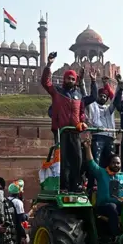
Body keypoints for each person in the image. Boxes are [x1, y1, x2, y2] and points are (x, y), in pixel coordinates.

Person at [41, 52, 97, 192]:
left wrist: (94, 81)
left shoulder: (78, 95)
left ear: (76, 80)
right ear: (64, 79)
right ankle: (64, 187)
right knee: (63, 160)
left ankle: (75, 185)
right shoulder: (58, 92)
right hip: (61, 131)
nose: (70, 80)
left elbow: (84, 110)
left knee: (77, 159)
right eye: (68, 78)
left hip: (75, 132)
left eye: (73, 79)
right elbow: (45, 82)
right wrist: (49, 64)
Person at [83, 139, 123, 237]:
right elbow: (91, 163)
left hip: (120, 207)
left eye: (118, 163)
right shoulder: (102, 173)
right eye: (114, 163)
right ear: (109, 164)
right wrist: (88, 148)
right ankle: (116, 237)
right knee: (111, 207)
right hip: (104, 206)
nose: (116, 165)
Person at [83, 75, 116, 193]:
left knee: (110, 163)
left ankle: (109, 186)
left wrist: (120, 87)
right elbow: (85, 93)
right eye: (100, 95)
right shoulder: (93, 106)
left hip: (109, 138)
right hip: (98, 137)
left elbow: (116, 100)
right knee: (95, 163)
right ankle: (91, 186)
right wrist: (84, 80)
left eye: (105, 96)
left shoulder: (109, 109)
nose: (102, 97)